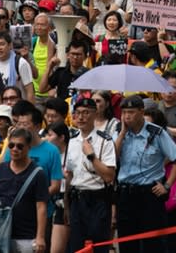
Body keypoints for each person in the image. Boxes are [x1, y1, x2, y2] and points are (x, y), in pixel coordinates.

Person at [114, 94, 176, 253]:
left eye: (131, 112)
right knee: (127, 242)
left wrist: (167, 185)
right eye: (124, 112)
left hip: (149, 193)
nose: (126, 116)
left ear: (141, 111)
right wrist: (122, 134)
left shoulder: (157, 133)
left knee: (152, 245)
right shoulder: (120, 132)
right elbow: (112, 159)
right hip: (126, 193)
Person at [64, 97, 116, 253]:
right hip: (77, 200)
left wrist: (91, 156)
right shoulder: (72, 141)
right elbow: (69, 175)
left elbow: (109, 176)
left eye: (86, 113)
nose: (81, 117)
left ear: (95, 114)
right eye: (77, 113)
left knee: (99, 246)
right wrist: (66, 205)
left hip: (98, 199)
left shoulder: (104, 141)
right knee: (76, 246)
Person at [0, 128, 49, 253]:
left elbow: (41, 207)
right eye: (11, 145)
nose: (15, 149)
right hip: (2, 234)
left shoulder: (38, 173)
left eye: (20, 146)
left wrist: (40, 237)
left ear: (29, 147)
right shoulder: (1, 169)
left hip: (27, 237)